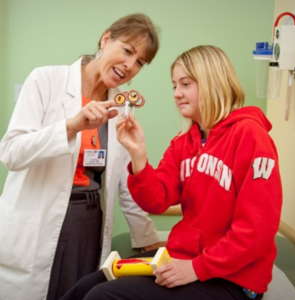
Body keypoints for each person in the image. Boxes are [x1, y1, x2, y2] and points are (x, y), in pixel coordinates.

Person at [61, 45, 282, 300]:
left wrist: (196, 268)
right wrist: (138, 155)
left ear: (213, 82)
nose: (177, 94)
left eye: (185, 84)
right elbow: (156, 201)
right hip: (184, 259)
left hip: (232, 280)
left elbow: (256, 232)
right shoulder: (184, 142)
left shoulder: (250, 136)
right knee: (86, 287)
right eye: (174, 86)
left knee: (102, 297)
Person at [0, 13, 162, 300]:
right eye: (127, 51)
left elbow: (126, 184)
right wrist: (71, 126)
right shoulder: (46, 80)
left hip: (89, 224)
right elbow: (11, 152)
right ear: (106, 38)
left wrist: (148, 243)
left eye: (140, 62)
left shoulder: (121, 107)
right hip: (38, 220)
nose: (130, 65)